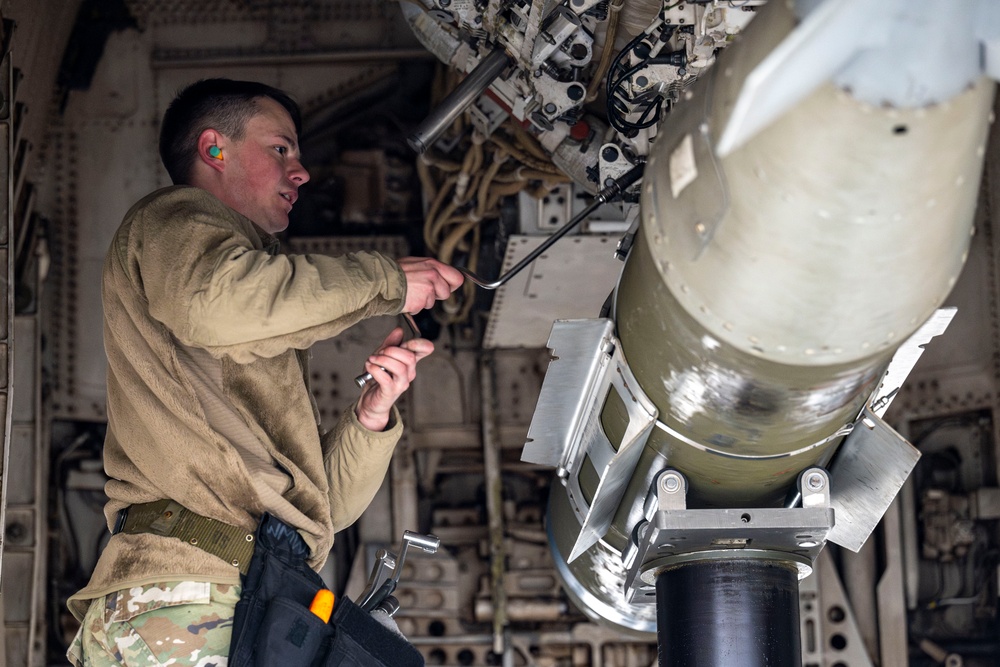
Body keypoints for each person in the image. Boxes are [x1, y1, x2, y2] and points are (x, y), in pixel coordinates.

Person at [65, 78, 464, 666]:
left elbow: (320, 514)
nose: (300, 172)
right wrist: (388, 281)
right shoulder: (172, 220)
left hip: (220, 601)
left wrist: (370, 418)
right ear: (214, 149)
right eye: (281, 149)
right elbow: (218, 305)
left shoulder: (245, 299)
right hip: (192, 598)